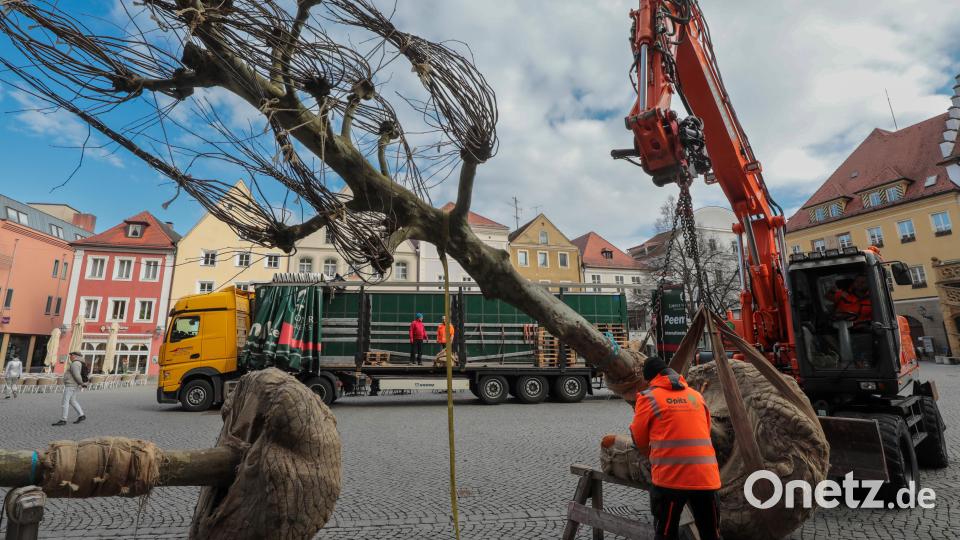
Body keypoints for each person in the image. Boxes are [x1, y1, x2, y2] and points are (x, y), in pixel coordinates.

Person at [630, 356, 721, 540]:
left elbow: (638, 438)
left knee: (666, 532)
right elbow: (707, 430)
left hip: (670, 479)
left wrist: (652, 455)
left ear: (651, 378)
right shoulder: (696, 396)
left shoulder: (648, 398)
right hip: (705, 477)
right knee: (710, 533)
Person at [53, 351, 87, 426]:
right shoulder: (78, 363)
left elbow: (77, 375)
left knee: (65, 402)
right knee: (72, 401)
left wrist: (81, 383)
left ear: (74, 356)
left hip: (71, 385)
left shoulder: (75, 363)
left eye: (70, 356)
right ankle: (81, 415)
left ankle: (63, 419)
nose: (70, 357)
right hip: (73, 385)